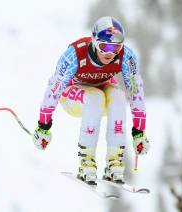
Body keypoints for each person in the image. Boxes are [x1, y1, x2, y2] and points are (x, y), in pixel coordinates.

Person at [32, 16, 150, 185]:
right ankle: (86, 162)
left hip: (101, 92)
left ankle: (114, 162)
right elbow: (53, 89)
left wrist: (139, 133)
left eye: (116, 47)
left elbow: (136, 92)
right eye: (105, 46)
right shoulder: (74, 55)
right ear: (94, 42)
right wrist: (43, 127)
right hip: (73, 95)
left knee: (118, 96)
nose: (110, 53)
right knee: (95, 97)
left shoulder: (127, 57)